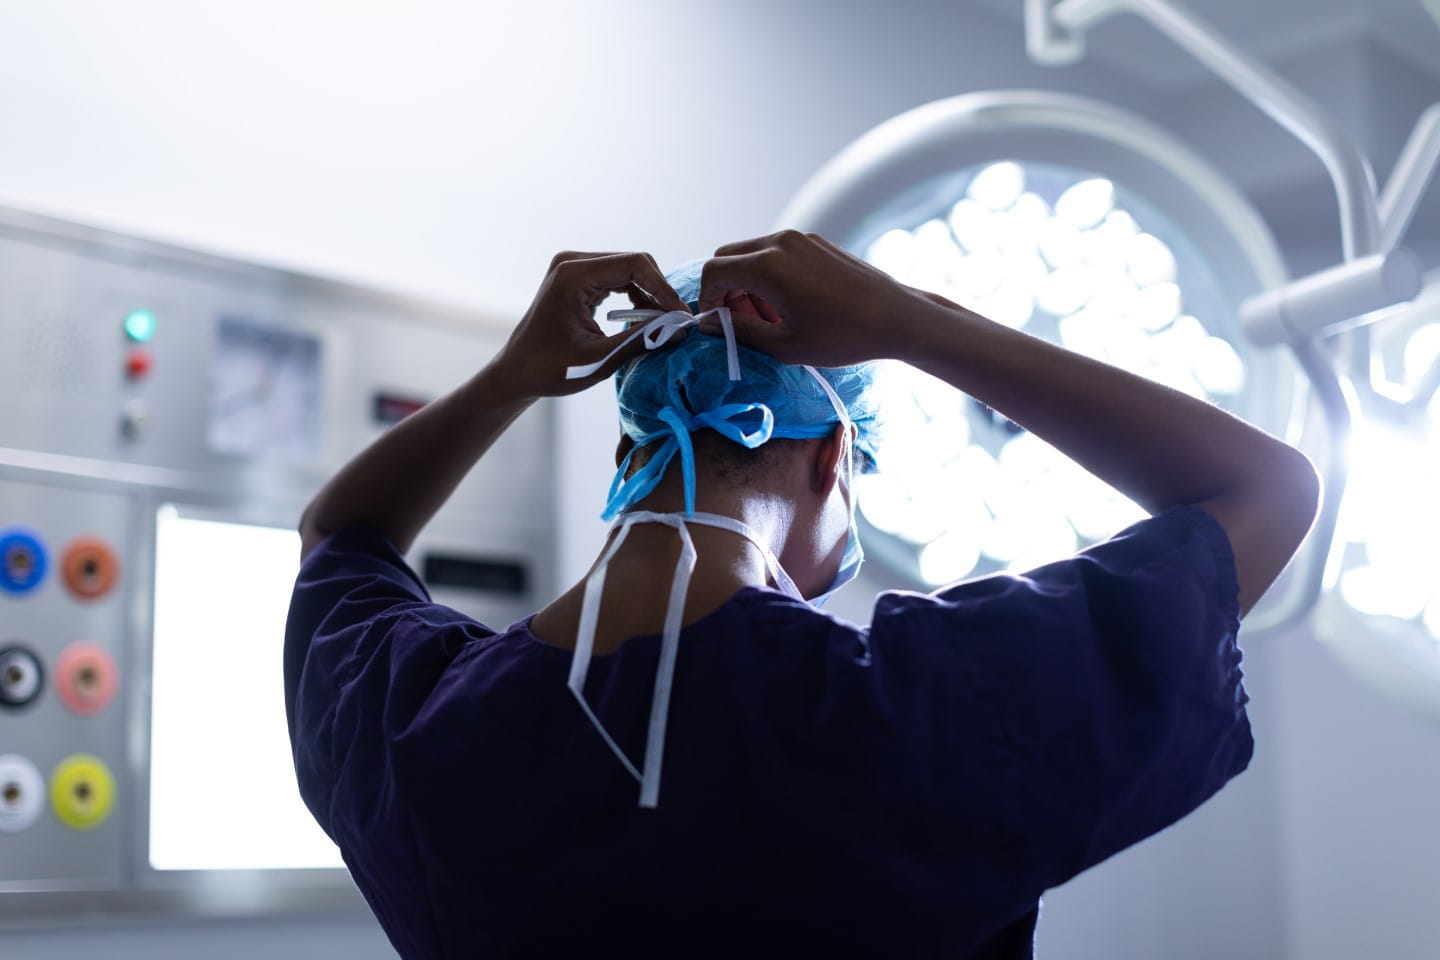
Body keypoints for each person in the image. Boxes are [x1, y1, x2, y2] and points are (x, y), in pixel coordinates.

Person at [284, 231, 1320, 959]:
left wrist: (511, 375)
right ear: (835, 459)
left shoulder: (415, 723)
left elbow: (340, 533)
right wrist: (916, 324)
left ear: (626, 451)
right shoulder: (928, 706)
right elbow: (1268, 489)